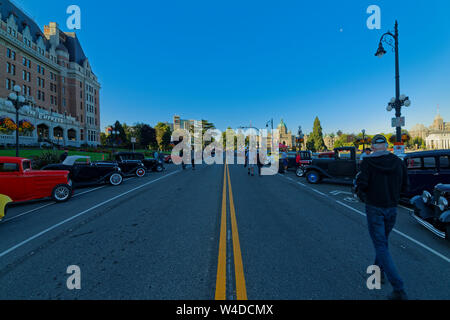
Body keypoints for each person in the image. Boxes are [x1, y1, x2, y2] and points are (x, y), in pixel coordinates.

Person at [356, 134, 409, 300]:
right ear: (386, 146)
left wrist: (362, 194)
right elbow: (405, 186)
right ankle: (378, 273)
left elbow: (362, 184)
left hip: (374, 207)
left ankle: (399, 288)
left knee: (381, 245)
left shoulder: (368, 162)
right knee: (383, 243)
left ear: (372, 147)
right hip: (391, 207)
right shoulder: (398, 162)